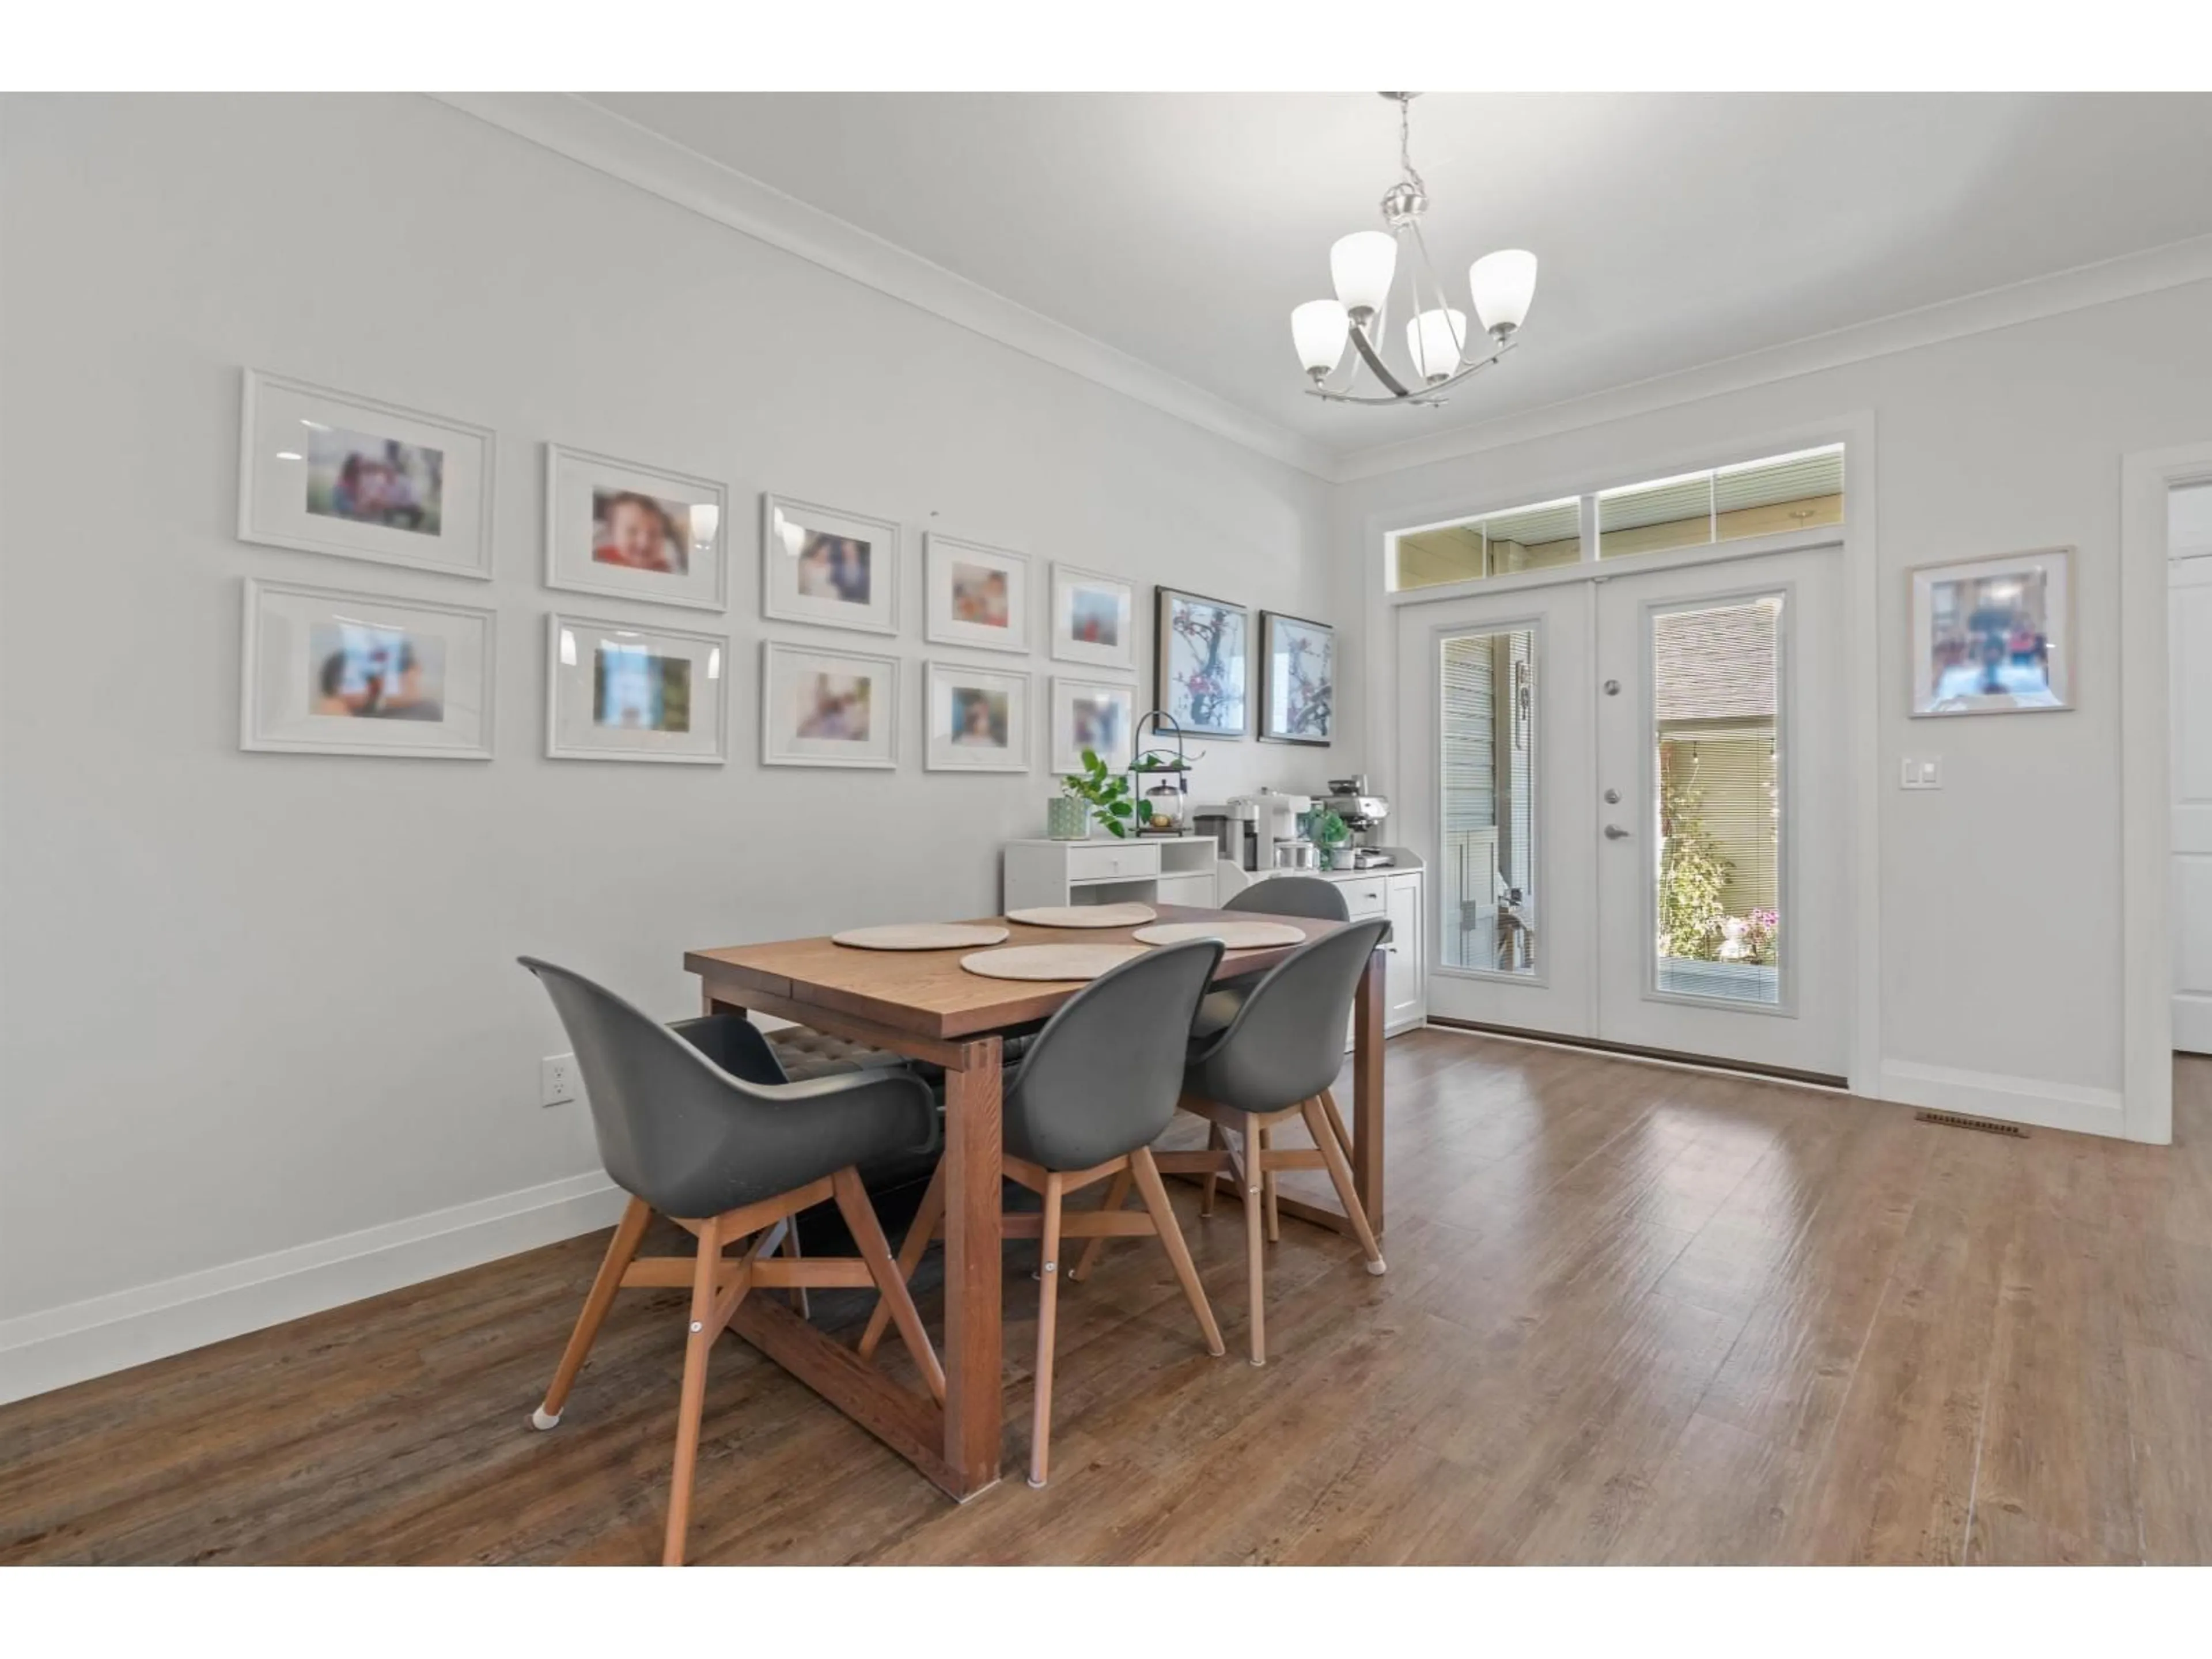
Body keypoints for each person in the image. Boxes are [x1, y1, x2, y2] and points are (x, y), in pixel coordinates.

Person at [594, 492, 682, 574]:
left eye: (654, 534)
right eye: (632, 532)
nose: (644, 542)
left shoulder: (664, 569)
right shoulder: (601, 558)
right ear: (612, 532)